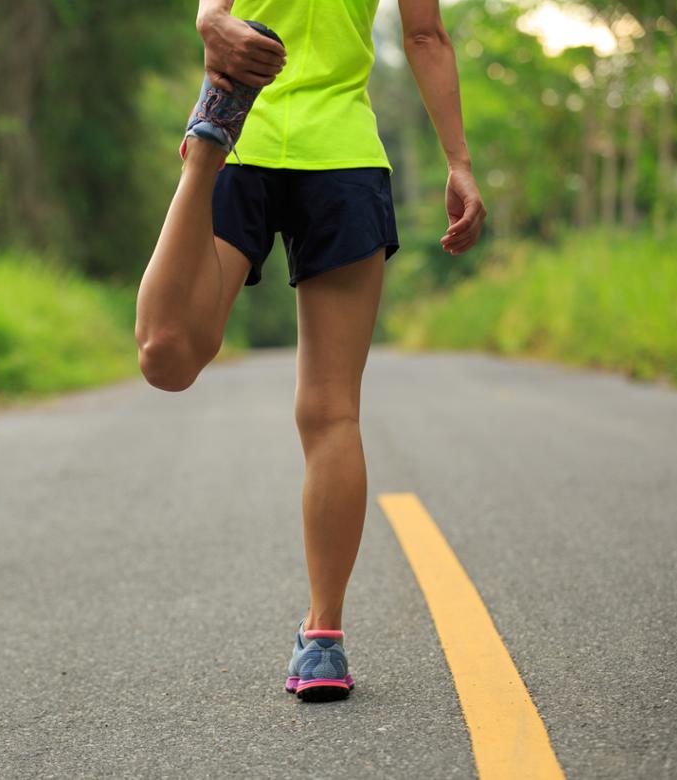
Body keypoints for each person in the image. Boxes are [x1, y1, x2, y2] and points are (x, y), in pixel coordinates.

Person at [135, 0, 486, 702]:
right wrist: (458, 162)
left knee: (167, 355)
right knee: (331, 413)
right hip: (343, 158)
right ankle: (322, 639)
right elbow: (424, 34)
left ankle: (202, 150)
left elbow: (214, 15)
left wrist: (214, 29)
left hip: (249, 133)